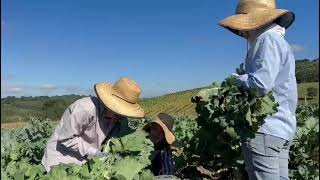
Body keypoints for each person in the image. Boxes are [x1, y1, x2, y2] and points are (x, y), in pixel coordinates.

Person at [219, 0, 297, 180]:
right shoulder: (281, 42)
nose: (241, 33)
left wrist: (237, 79)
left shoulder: (266, 40)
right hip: (283, 129)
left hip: (264, 129)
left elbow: (260, 85)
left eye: (242, 28)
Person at [41, 77, 145, 172]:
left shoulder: (120, 118)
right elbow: (65, 139)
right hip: (62, 159)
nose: (122, 116)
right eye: (119, 112)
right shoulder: (85, 109)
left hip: (88, 162)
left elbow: (120, 140)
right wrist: (94, 152)